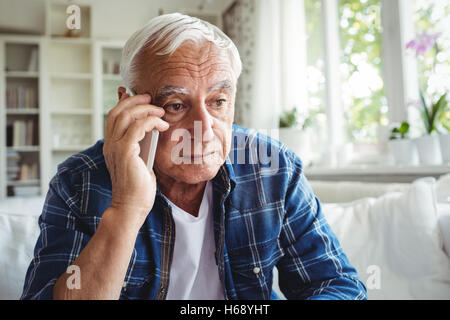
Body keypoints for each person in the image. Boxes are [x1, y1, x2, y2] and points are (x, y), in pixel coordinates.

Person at [21, 13, 367, 300]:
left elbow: (336, 285)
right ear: (128, 104)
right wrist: (127, 208)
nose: (204, 127)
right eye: (175, 105)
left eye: (218, 102)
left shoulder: (272, 167)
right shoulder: (77, 181)